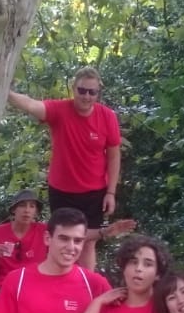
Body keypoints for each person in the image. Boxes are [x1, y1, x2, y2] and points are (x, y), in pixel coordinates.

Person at [8, 67, 122, 233]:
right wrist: (7, 93)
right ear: (73, 88)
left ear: (98, 93)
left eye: (92, 92)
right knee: (61, 238)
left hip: (94, 192)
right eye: (82, 90)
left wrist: (111, 193)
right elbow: (31, 105)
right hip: (62, 191)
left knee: (88, 243)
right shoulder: (59, 110)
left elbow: (113, 157)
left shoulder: (107, 116)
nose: (86, 96)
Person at [0, 190, 47, 295]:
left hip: (36, 288)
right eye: (22, 205)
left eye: (32, 206)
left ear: (36, 212)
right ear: (14, 209)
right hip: (5, 288)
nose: (27, 210)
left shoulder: (44, 232)